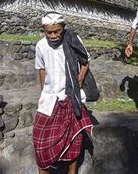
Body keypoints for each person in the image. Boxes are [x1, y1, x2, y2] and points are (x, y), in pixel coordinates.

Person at [32, 12, 94, 174]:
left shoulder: (73, 40)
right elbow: (41, 69)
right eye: (49, 32)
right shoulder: (41, 46)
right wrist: (43, 92)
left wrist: (80, 77)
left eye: (56, 31)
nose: (53, 35)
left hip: (71, 97)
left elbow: (85, 61)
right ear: (43, 30)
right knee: (40, 142)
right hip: (49, 99)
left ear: (63, 29)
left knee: (74, 139)